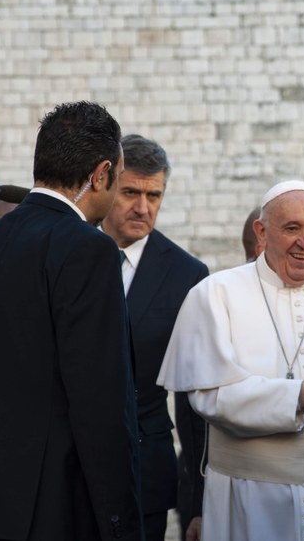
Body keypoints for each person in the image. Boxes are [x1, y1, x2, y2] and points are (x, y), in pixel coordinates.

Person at [0, 101, 144, 541]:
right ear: (101, 174)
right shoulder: (88, 251)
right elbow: (101, 405)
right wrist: (120, 523)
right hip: (49, 511)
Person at [158, 180, 304, 541]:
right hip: (250, 502)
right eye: (291, 228)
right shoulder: (215, 295)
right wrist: (300, 396)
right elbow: (210, 397)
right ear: (261, 232)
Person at [100, 134, 209, 541]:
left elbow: (194, 398)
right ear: (106, 183)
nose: (143, 207)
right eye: (130, 192)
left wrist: (196, 504)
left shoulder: (188, 275)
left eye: (154, 195)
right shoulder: (67, 253)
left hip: (145, 470)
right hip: (67, 466)